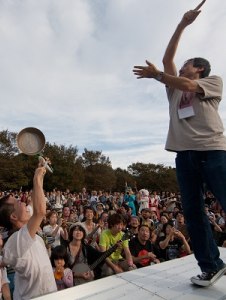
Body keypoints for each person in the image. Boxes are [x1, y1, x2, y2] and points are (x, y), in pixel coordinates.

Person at [133, 0, 226, 286]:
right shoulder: (173, 90)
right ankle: (211, 265)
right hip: (184, 157)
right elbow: (166, 63)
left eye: (186, 63)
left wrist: (159, 77)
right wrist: (182, 25)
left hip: (213, 152)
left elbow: (183, 83)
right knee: (194, 214)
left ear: (198, 69)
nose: (181, 66)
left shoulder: (212, 82)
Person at [0, 161, 57, 299]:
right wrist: (36, 178)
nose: (22, 201)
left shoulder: (26, 228)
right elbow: (40, 211)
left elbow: (35, 202)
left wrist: (40, 172)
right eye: (17, 202)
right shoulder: (15, 241)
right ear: (14, 216)